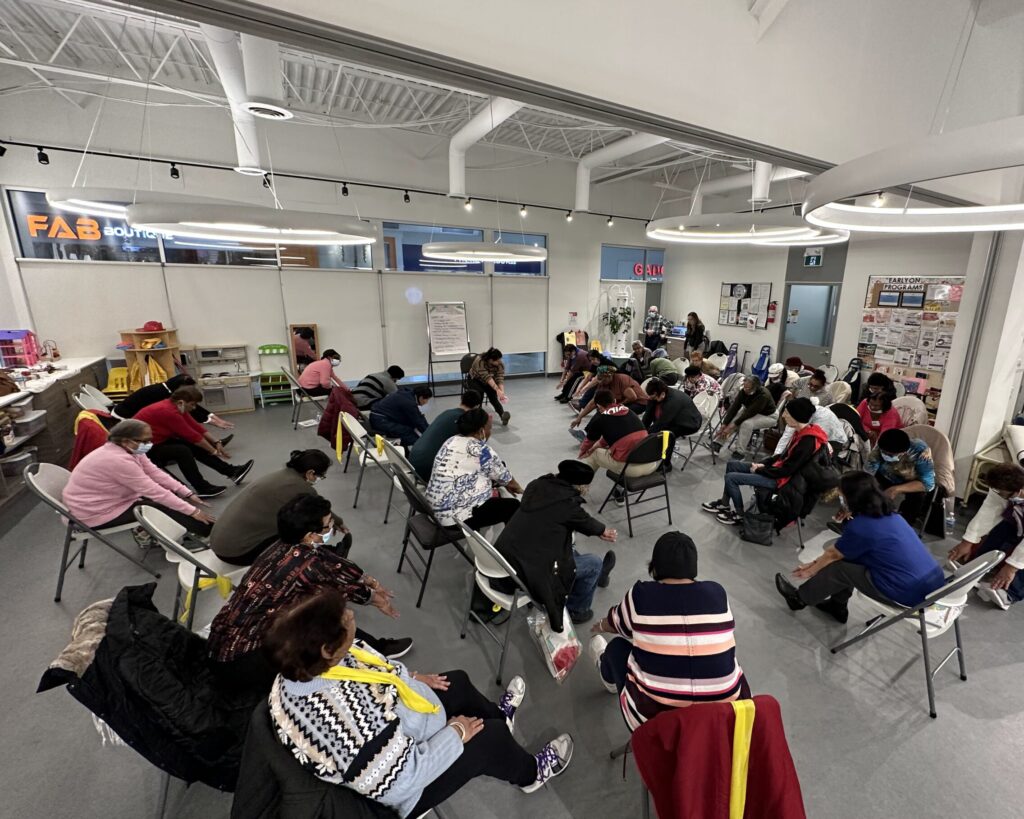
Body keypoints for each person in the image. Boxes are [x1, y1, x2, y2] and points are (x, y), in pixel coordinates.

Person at [264, 590, 573, 818]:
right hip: (403, 786)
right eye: (345, 618)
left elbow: (368, 664)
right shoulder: (351, 725)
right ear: (328, 649)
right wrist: (455, 732)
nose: (351, 615)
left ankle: (500, 722)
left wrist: (408, 678)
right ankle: (532, 774)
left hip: (397, 726)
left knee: (458, 682)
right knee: (490, 740)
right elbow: (399, 781)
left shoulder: (300, 667)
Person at [208, 493, 413, 691]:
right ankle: (378, 664)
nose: (332, 527)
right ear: (310, 535)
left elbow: (335, 563)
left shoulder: (284, 546)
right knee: (329, 622)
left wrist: (371, 581)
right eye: (329, 524)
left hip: (225, 641)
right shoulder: (306, 565)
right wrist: (378, 599)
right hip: (242, 657)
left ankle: (376, 648)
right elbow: (343, 588)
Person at [588, 532, 749, 731]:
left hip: (654, 729)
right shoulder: (718, 593)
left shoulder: (641, 595)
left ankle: (609, 678)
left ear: (654, 568)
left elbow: (616, 624)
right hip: (724, 725)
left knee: (616, 648)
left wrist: (601, 626)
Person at [775, 471, 945, 623]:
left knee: (840, 568)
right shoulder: (892, 516)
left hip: (907, 593)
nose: (839, 497)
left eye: (841, 494)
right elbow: (848, 551)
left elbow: (834, 555)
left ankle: (799, 599)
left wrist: (811, 569)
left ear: (852, 498)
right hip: (933, 587)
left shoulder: (862, 526)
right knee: (853, 558)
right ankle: (837, 606)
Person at [494, 461, 617, 627]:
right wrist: (603, 530)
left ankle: (598, 576)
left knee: (566, 545)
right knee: (593, 562)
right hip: (529, 573)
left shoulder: (536, 484)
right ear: (580, 486)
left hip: (506, 557)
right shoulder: (568, 506)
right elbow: (584, 520)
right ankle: (578, 610)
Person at [62, 419, 215, 537]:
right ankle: (208, 532)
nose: (149, 444)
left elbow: (155, 472)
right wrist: (193, 512)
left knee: (165, 502)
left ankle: (191, 531)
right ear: (127, 441)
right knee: (157, 508)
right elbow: (153, 490)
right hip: (94, 513)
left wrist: (186, 492)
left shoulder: (128, 450)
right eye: (145, 440)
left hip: (104, 502)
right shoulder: (117, 460)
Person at [210, 449, 351, 566]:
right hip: (238, 552)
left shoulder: (282, 475)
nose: (320, 479)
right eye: (321, 476)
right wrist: (337, 523)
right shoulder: (298, 486)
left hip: (221, 542)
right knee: (302, 531)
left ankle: (323, 555)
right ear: (310, 473)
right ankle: (323, 560)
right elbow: (319, 512)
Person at [703, 397, 827, 526]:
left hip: (784, 482)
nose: (783, 415)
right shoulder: (801, 433)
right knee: (732, 465)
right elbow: (782, 456)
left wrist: (761, 469)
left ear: (796, 416)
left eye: (787, 413)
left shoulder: (807, 441)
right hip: (779, 472)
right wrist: (764, 463)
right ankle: (724, 504)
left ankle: (739, 514)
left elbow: (788, 470)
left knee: (731, 478)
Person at [135, 385, 253, 498]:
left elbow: (196, 427)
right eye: (192, 404)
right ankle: (202, 488)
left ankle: (232, 472)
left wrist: (217, 442)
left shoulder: (176, 406)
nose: (194, 408)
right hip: (141, 449)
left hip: (156, 441)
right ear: (181, 402)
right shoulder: (168, 411)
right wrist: (213, 451)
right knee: (183, 451)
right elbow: (193, 436)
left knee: (193, 446)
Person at [425, 408, 522, 529]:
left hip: (433, 510)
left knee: (493, 471)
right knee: (513, 506)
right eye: (489, 428)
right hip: (453, 520)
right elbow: (508, 479)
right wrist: (521, 490)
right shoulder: (481, 450)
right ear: (481, 431)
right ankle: (509, 545)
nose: (490, 432)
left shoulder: (450, 440)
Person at [948, 465, 1024, 610]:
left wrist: (1011, 568)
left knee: (1017, 565)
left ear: (1019, 491)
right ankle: (976, 568)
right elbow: (988, 512)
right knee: (998, 534)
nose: (999, 494)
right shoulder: (1007, 486)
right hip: (1018, 517)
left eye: (1003, 493)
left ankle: (1010, 593)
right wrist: (968, 541)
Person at [577, 390, 658, 487]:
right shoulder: (629, 411)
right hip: (652, 463)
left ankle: (580, 487)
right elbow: (612, 435)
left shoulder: (600, 419)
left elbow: (588, 443)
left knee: (593, 454)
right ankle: (619, 492)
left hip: (631, 469)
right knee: (615, 449)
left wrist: (583, 453)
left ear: (599, 406)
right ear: (614, 401)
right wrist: (597, 446)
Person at [114, 373, 234, 432]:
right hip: (123, 417)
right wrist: (212, 422)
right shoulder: (161, 393)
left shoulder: (167, 388)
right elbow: (191, 412)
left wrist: (213, 417)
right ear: (181, 387)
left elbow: (193, 407)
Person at [864, 428, 936, 525]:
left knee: (918, 496)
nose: (885, 455)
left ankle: (904, 525)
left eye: (890, 454)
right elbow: (866, 477)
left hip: (910, 480)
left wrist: (896, 489)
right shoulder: (878, 450)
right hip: (885, 476)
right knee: (868, 490)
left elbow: (928, 484)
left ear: (903, 452)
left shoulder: (919, 451)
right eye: (884, 452)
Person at [408, 390, 482, 481]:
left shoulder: (447, 412)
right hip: (427, 469)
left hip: (412, 461)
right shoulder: (463, 422)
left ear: (461, 399)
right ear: (477, 407)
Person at [643, 378, 702, 467]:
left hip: (690, 422)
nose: (652, 399)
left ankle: (666, 464)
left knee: (667, 434)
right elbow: (648, 415)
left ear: (662, 394)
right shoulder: (656, 394)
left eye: (654, 397)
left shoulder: (674, 401)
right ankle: (654, 454)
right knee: (653, 432)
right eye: (651, 397)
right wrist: (641, 430)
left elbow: (662, 423)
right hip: (675, 418)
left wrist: (645, 436)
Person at [713, 375, 775, 456]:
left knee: (746, 424)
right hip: (749, 409)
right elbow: (734, 408)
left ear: (756, 387)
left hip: (768, 415)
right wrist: (724, 425)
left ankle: (740, 452)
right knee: (734, 418)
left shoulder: (763, 395)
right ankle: (718, 443)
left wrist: (730, 427)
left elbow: (748, 414)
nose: (745, 390)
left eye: (748, 388)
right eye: (744, 387)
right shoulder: (743, 391)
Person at [570, 366, 647, 430]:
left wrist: (617, 406)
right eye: (598, 379)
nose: (600, 382)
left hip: (638, 403)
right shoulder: (602, 384)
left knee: (611, 413)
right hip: (623, 403)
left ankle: (616, 435)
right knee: (601, 411)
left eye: (602, 379)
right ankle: (587, 431)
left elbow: (632, 397)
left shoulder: (621, 379)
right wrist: (579, 417)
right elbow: (594, 402)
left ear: (609, 376)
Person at [772, 404, 847, 455]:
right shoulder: (799, 414)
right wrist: (776, 455)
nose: (783, 416)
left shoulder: (822, 418)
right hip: (820, 436)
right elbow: (787, 435)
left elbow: (813, 442)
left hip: (834, 441)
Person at [467, 348, 511, 425]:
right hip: (475, 379)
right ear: (490, 360)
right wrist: (497, 390)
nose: (499, 362)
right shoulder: (479, 361)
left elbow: (499, 378)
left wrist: (501, 392)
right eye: (497, 360)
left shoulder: (499, 364)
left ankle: (502, 415)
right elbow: (487, 377)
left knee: (494, 398)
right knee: (478, 396)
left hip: (489, 381)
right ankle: (477, 417)